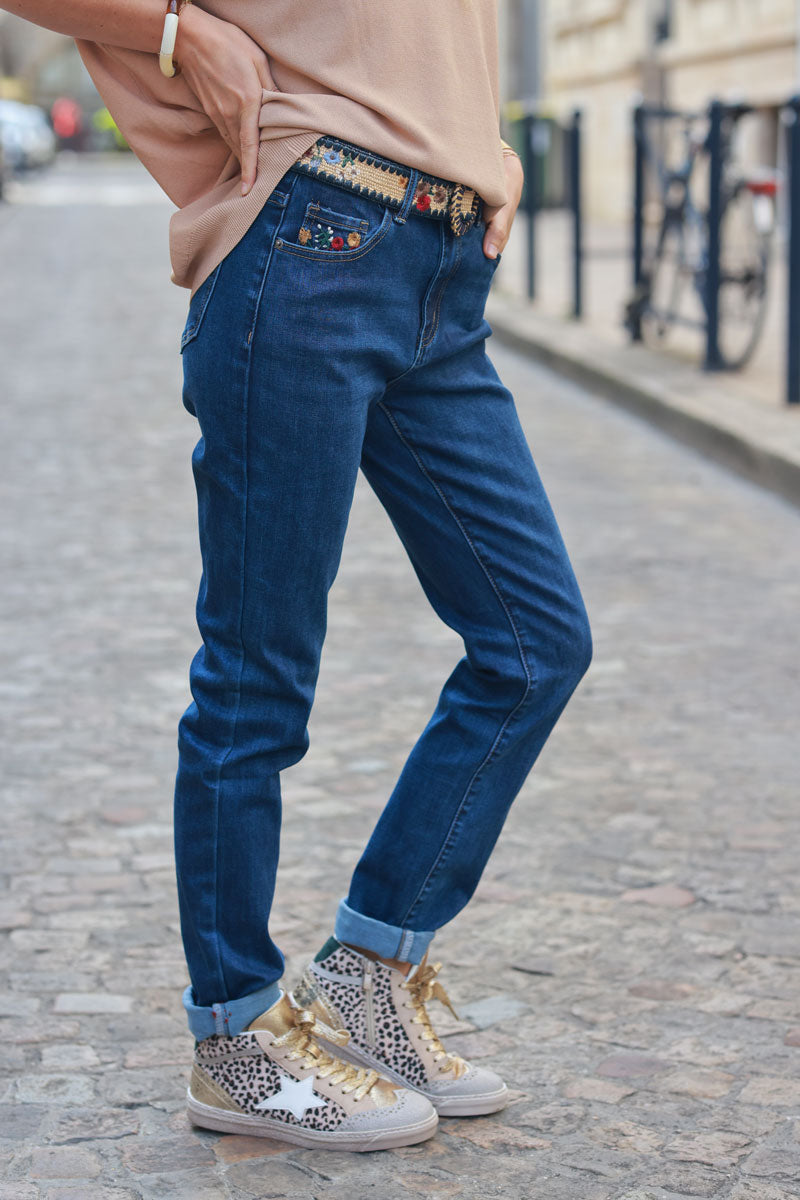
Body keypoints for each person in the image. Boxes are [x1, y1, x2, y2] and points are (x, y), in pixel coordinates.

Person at [5, 0, 593, 1152]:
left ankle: (369, 970)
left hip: (442, 262)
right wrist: (182, 33)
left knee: (535, 643)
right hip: (309, 242)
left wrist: (481, 141)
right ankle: (233, 1035)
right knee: (257, 676)